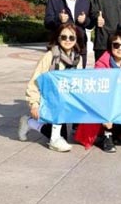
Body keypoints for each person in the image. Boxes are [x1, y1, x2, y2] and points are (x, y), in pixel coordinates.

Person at [18, 22, 82, 152]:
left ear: (76, 39)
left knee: (62, 135)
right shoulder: (50, 56)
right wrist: (34, 104)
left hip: (64, 101)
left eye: (71, 37)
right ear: (58, 38)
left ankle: (29, 123)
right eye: (64, 37)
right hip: (49, 99)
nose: (68, 40)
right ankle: (52, 138)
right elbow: (35, 81)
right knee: (58, 136)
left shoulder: (77, 58)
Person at [92, 30, 121, 153]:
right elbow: (98, 91)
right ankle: (107, 135)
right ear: (110, 46)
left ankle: (117, 133)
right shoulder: (101, 63)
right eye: (116, 45)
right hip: (105, 104)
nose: (120, 48)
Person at [44, 0, 94, 67]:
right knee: (59, 77)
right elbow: (47, 22)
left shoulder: (86, 1)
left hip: (80, 46)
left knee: (79, 77)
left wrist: (85, 21)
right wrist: (58, 19)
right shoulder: (54, 0)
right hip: (59, 47)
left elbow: (91, 24)